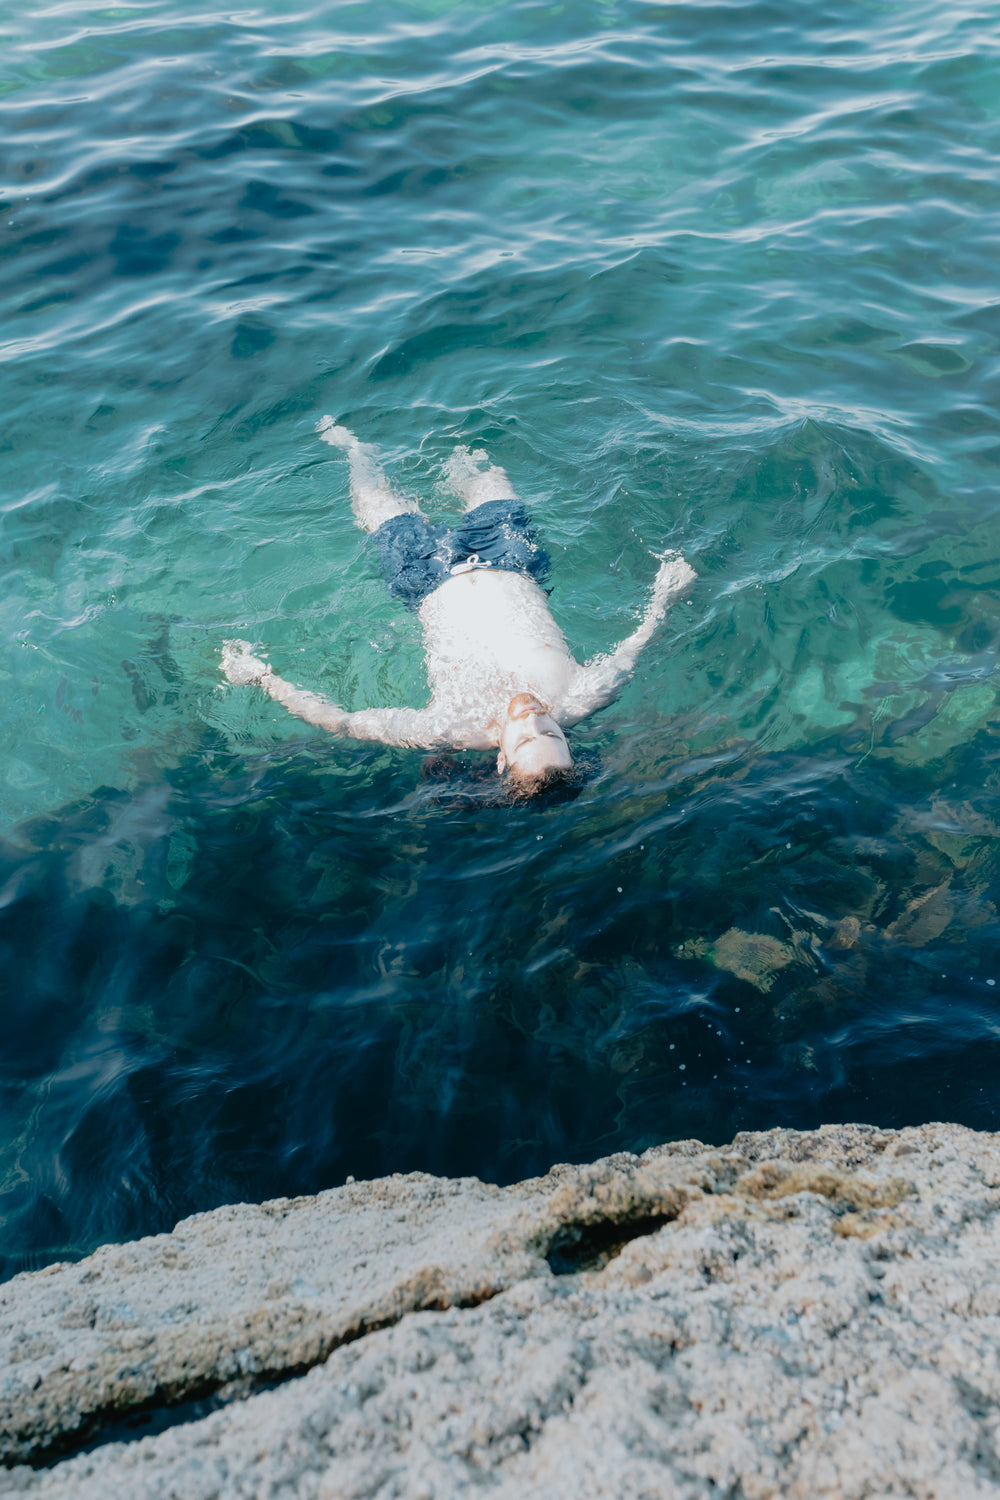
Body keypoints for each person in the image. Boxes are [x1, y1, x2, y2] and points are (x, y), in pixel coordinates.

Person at [220, 418, 696, 794]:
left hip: (425, 578)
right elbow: (640, 640)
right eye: (552, 736)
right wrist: (668, 591)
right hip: (510, 559)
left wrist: (264, 679)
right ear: (567, 739)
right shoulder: (584, 694)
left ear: (502, 757)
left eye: (527, 739)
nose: (534, 720)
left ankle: (353, 447)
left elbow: (343, 723)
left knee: (373, 495)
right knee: (487, 473)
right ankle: (455, 444)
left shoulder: (449, 728)